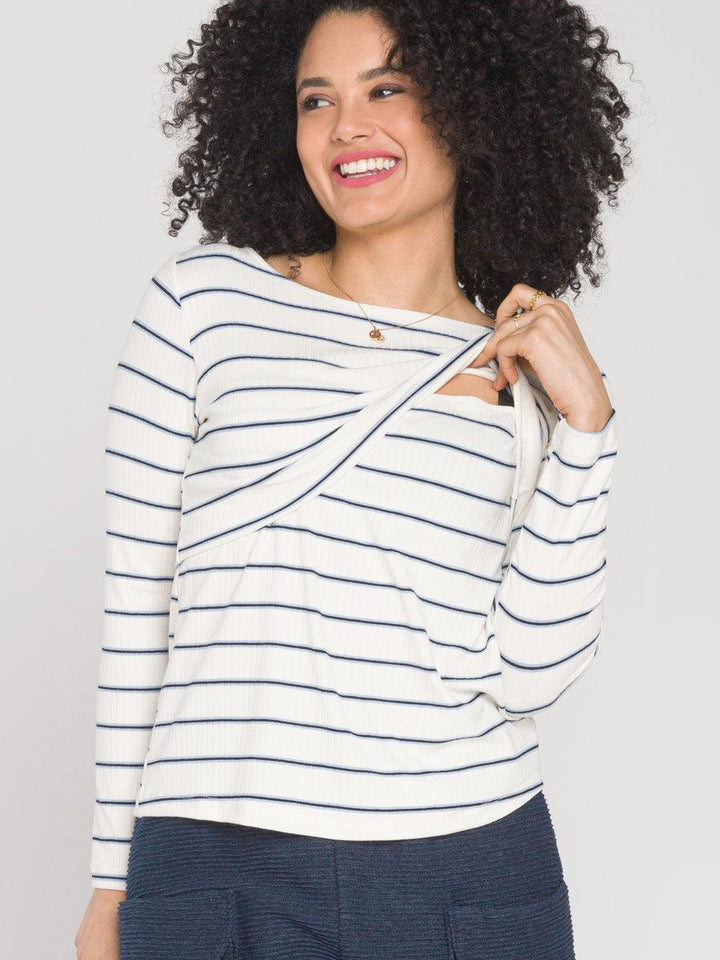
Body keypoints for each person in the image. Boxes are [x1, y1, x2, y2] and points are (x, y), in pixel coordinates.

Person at [75, 1, 631, 957]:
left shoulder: (525, 375)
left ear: (474, 108)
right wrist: (108, 883)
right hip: (216, 861)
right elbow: (137, 612)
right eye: (316, 99)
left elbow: (531, 669)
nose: (346, 128)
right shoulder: (202, 309)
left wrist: (589, 427)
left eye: (388, 89)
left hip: (466, 862)